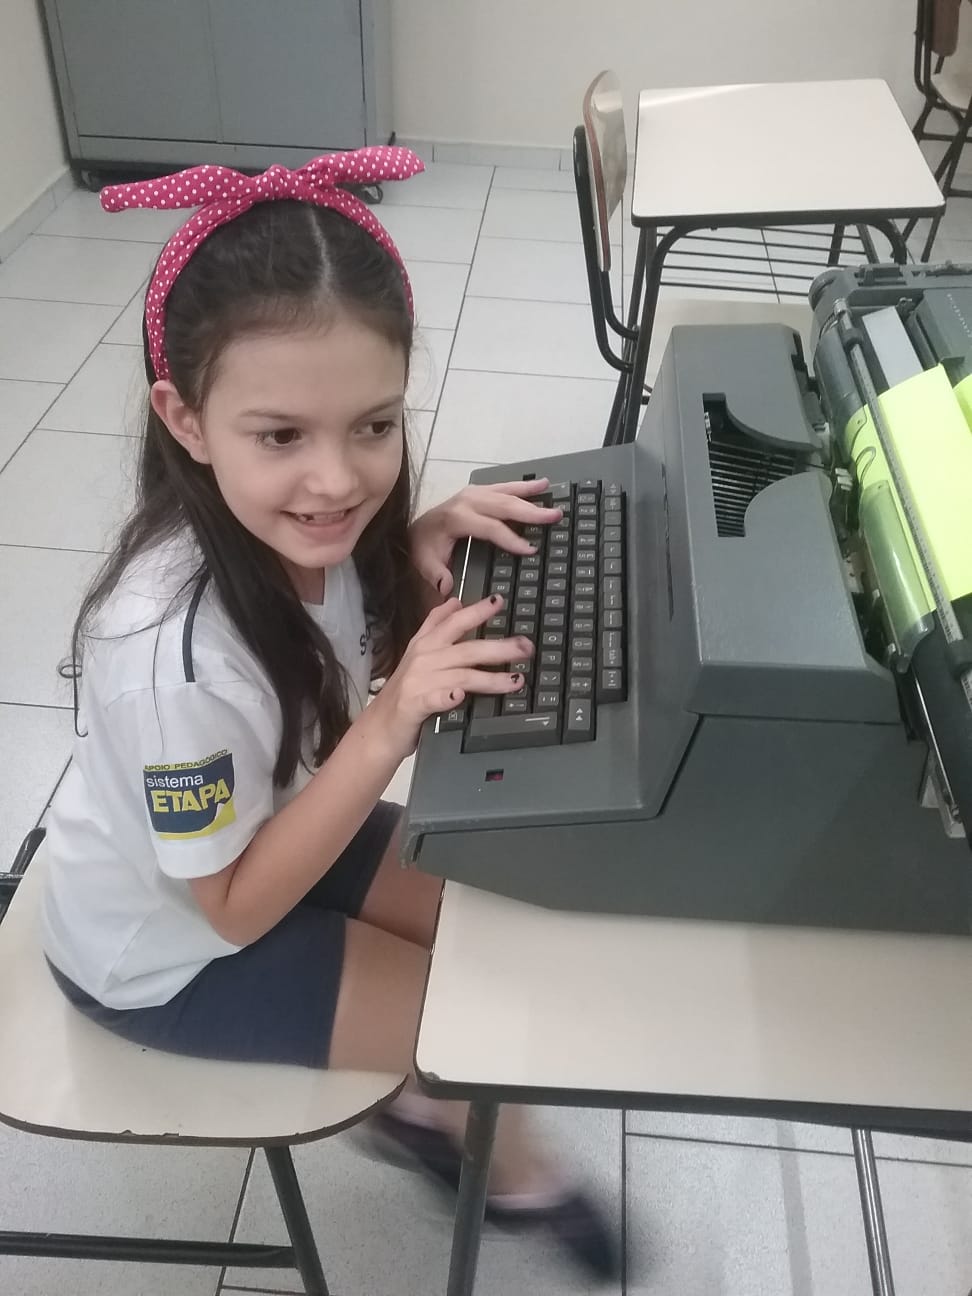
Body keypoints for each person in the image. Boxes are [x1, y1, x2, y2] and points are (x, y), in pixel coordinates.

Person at [39, 148, 619, 1280]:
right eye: (281, 437)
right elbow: (232, 909)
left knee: (499, 922)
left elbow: (340, 654)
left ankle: (427, 1103)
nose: (339, 481)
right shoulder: (170, 658)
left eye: (374, 425)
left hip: (275, 827)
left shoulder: (313, 534)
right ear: (185, 419)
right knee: (473, 1022)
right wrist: (394, 718)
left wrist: (420, 543)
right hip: (171, 949)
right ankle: (495, 1164)